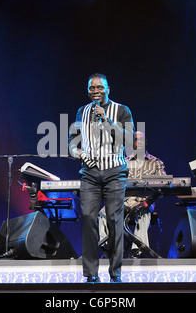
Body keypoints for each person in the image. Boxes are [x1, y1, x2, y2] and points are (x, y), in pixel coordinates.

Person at [69, 73, 134, 283]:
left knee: (115, 222)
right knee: (88, 218)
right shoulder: (82, 111)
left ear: (108, 89)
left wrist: (106, 120)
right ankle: (91, 274)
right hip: (89, 173)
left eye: (99, 88)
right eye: (92, 88)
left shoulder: (122, 110)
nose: (95, 92)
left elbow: (128, 139)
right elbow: (72, 141)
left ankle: (115, 274)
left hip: (114, 172)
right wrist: (76, 152)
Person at [98, 131, 167, 258]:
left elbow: (164, 185)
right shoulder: (123, 162)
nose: (139, 142)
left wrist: (144, 202)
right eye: (136, 139)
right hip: (123, 202)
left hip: (144, 202)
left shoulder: (156, 162)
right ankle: (107, 247)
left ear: (145, 143)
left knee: (143, 213)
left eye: (142, 139)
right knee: (103, 213)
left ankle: (137, 251)